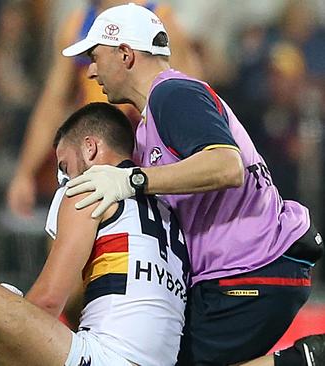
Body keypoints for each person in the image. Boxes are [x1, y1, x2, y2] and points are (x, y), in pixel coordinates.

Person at [60, 4, 324, 365]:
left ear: (125, 54)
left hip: (250, 268)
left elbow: (227, 166)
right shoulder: (152, 119)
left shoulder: (173, 94)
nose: (90, 71)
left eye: (95, 56)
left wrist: (132, 179)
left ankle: (302, 361)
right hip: (244, 270)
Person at [0, 103, 189, 366]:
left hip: (105, 356)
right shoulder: (167, 207)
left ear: (90, 148)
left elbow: (49, 301)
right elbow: (77, 309)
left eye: (64, 167)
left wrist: (3, 319)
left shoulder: (89, 189)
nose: (65, 179)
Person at [6, 0, 202, 219]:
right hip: (93, 156)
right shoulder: (77, 24)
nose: (92, 71)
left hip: (145, 159)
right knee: (70, 227)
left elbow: (189, 100)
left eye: (95, 59)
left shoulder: (158, 21)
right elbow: (53, 103)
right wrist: (26, 172)